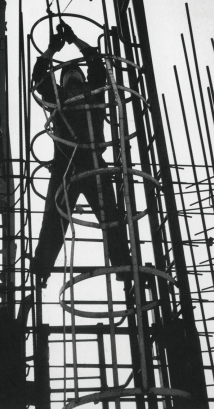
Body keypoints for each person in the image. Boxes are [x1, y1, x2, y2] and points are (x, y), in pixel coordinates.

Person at [31, 22, 131, 287]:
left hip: (94, 162)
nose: (71, 75)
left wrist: (74, 39)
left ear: (83, 78)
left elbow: (97, 63)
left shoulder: (94, 94)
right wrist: (53, 48)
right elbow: (39, 76)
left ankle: (125, 270)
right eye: (67, 74)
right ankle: (41, 270)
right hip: (64, 164)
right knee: (54, 217)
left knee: (111, 216)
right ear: (62, 81)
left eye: (75, 71)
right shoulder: (58, 97)